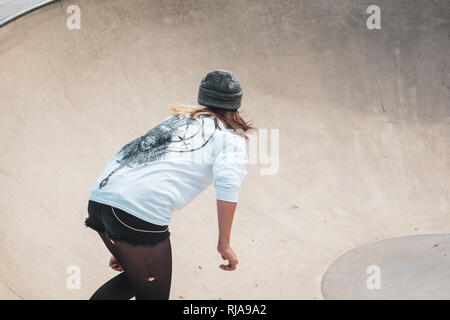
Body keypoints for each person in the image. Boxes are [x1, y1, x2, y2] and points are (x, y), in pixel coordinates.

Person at [84, 69, 255, 300]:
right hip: (136, 213)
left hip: (101, 201)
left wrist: (124, 240)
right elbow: (228, 185)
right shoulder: (229, 139)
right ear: (236, 105)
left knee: (137, 281)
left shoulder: (176, 120)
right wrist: (224, 243)